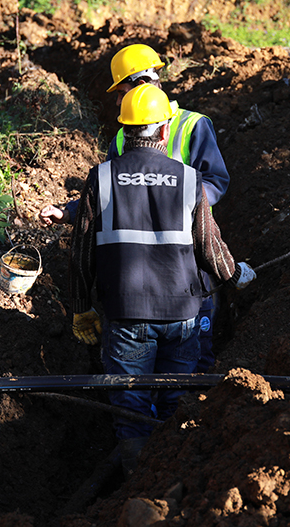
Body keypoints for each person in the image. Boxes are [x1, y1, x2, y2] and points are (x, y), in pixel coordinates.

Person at [66, 83, 255, 475]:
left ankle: (137, 478)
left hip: (126, 312)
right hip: (182, 315)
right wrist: (236, 274)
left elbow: (81, 253)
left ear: (124, 130)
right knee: (176, 399)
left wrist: (81, 309)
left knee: (130, 404)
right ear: (165, 132)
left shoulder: (100, 178)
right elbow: (209, 246)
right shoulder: (188, 180)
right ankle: (172, 475)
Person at [40, 43, 230, 371]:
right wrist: (69, 212)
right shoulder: (120, 137)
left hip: (185, 258)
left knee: (195, 360)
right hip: (143, 267)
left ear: (141, 83)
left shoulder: (193, 126)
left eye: (122, 89)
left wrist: (179, 203)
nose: (117, 99)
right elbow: (105, 192)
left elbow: (215, 181)